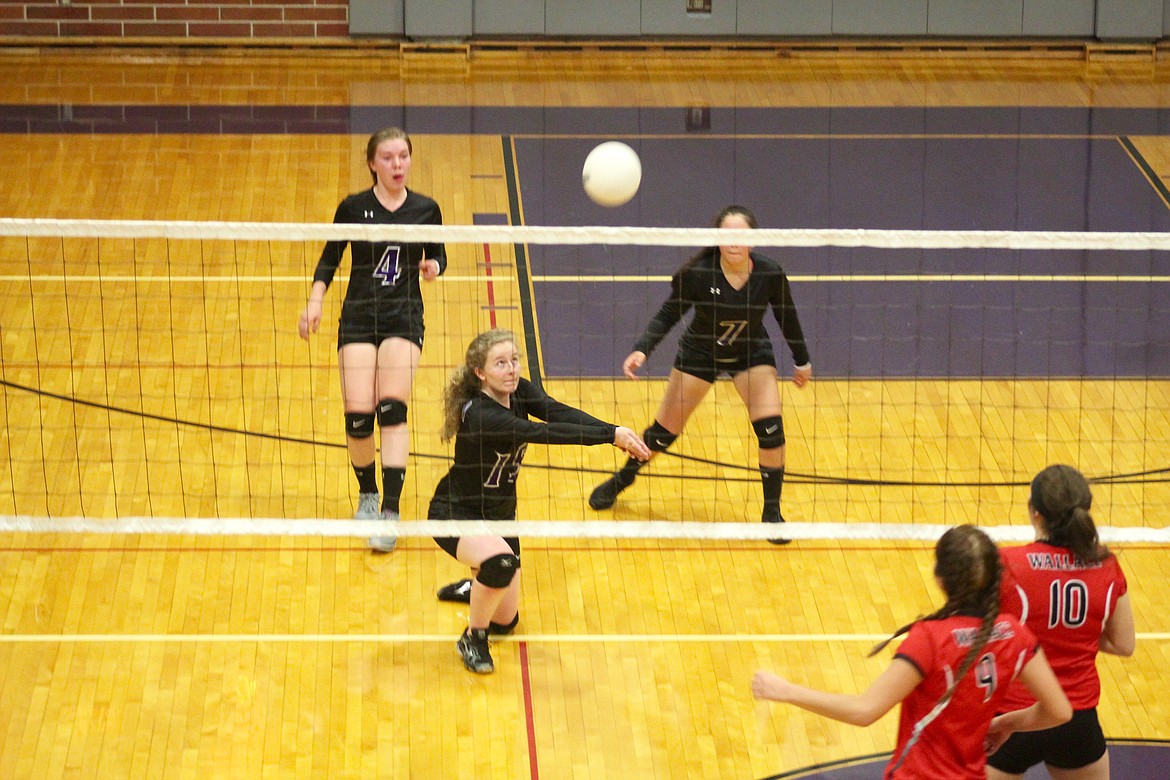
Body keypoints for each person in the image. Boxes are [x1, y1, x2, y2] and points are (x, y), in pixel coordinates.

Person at [752, 525, 1072, 780]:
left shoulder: (931, 639)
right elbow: (1059, 711)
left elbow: (865, 711)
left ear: (940, 579)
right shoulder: (1014, 633)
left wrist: (786, 691)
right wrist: (1005, 724)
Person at [587, 205, 811, 543]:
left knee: (772, 432)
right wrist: (643, 348)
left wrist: (802, 360)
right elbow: (668, 313)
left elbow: (787, 317)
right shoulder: (700, 274)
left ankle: (772, 512)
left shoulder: (769, 274)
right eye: (727, 235)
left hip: (750, 353)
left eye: (742, 236)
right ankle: (623, 479)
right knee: (663, 432)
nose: (734, 243)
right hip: (700, 353)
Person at [431, 329, 650, 674]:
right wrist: (609, 436)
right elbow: (542, 432)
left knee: (507, 622)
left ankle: (476, 588)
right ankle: (472, 638)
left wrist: (613, 430)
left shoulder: (518, 391)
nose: (511, 369)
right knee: (501, 564)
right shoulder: (481, 415)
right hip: (457, 514)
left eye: (514, 360)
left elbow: (554, 411)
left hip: (501, 516)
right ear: (480, 373)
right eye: (500, 363)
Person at [297, 127, 446, 553]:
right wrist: (315, 301)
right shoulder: (353, 207)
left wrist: (434, 266)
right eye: (389, 158)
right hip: (359, 316)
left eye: (404, 156)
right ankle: (367, 494)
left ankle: (391, 511)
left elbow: (441, 252)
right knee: (358, 415)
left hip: (403, 316)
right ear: (372, 164)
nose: (398, 165)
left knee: (392, 408)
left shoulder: (425, 209)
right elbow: (330, 256)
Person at [987, 464, 1136, 780]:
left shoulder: (1007, 564)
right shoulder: (1106, 564)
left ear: (1035, 513)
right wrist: (1074, 635)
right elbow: (1124, 644)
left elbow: (980, 635)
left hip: (1013, 717)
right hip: (1076, 720)